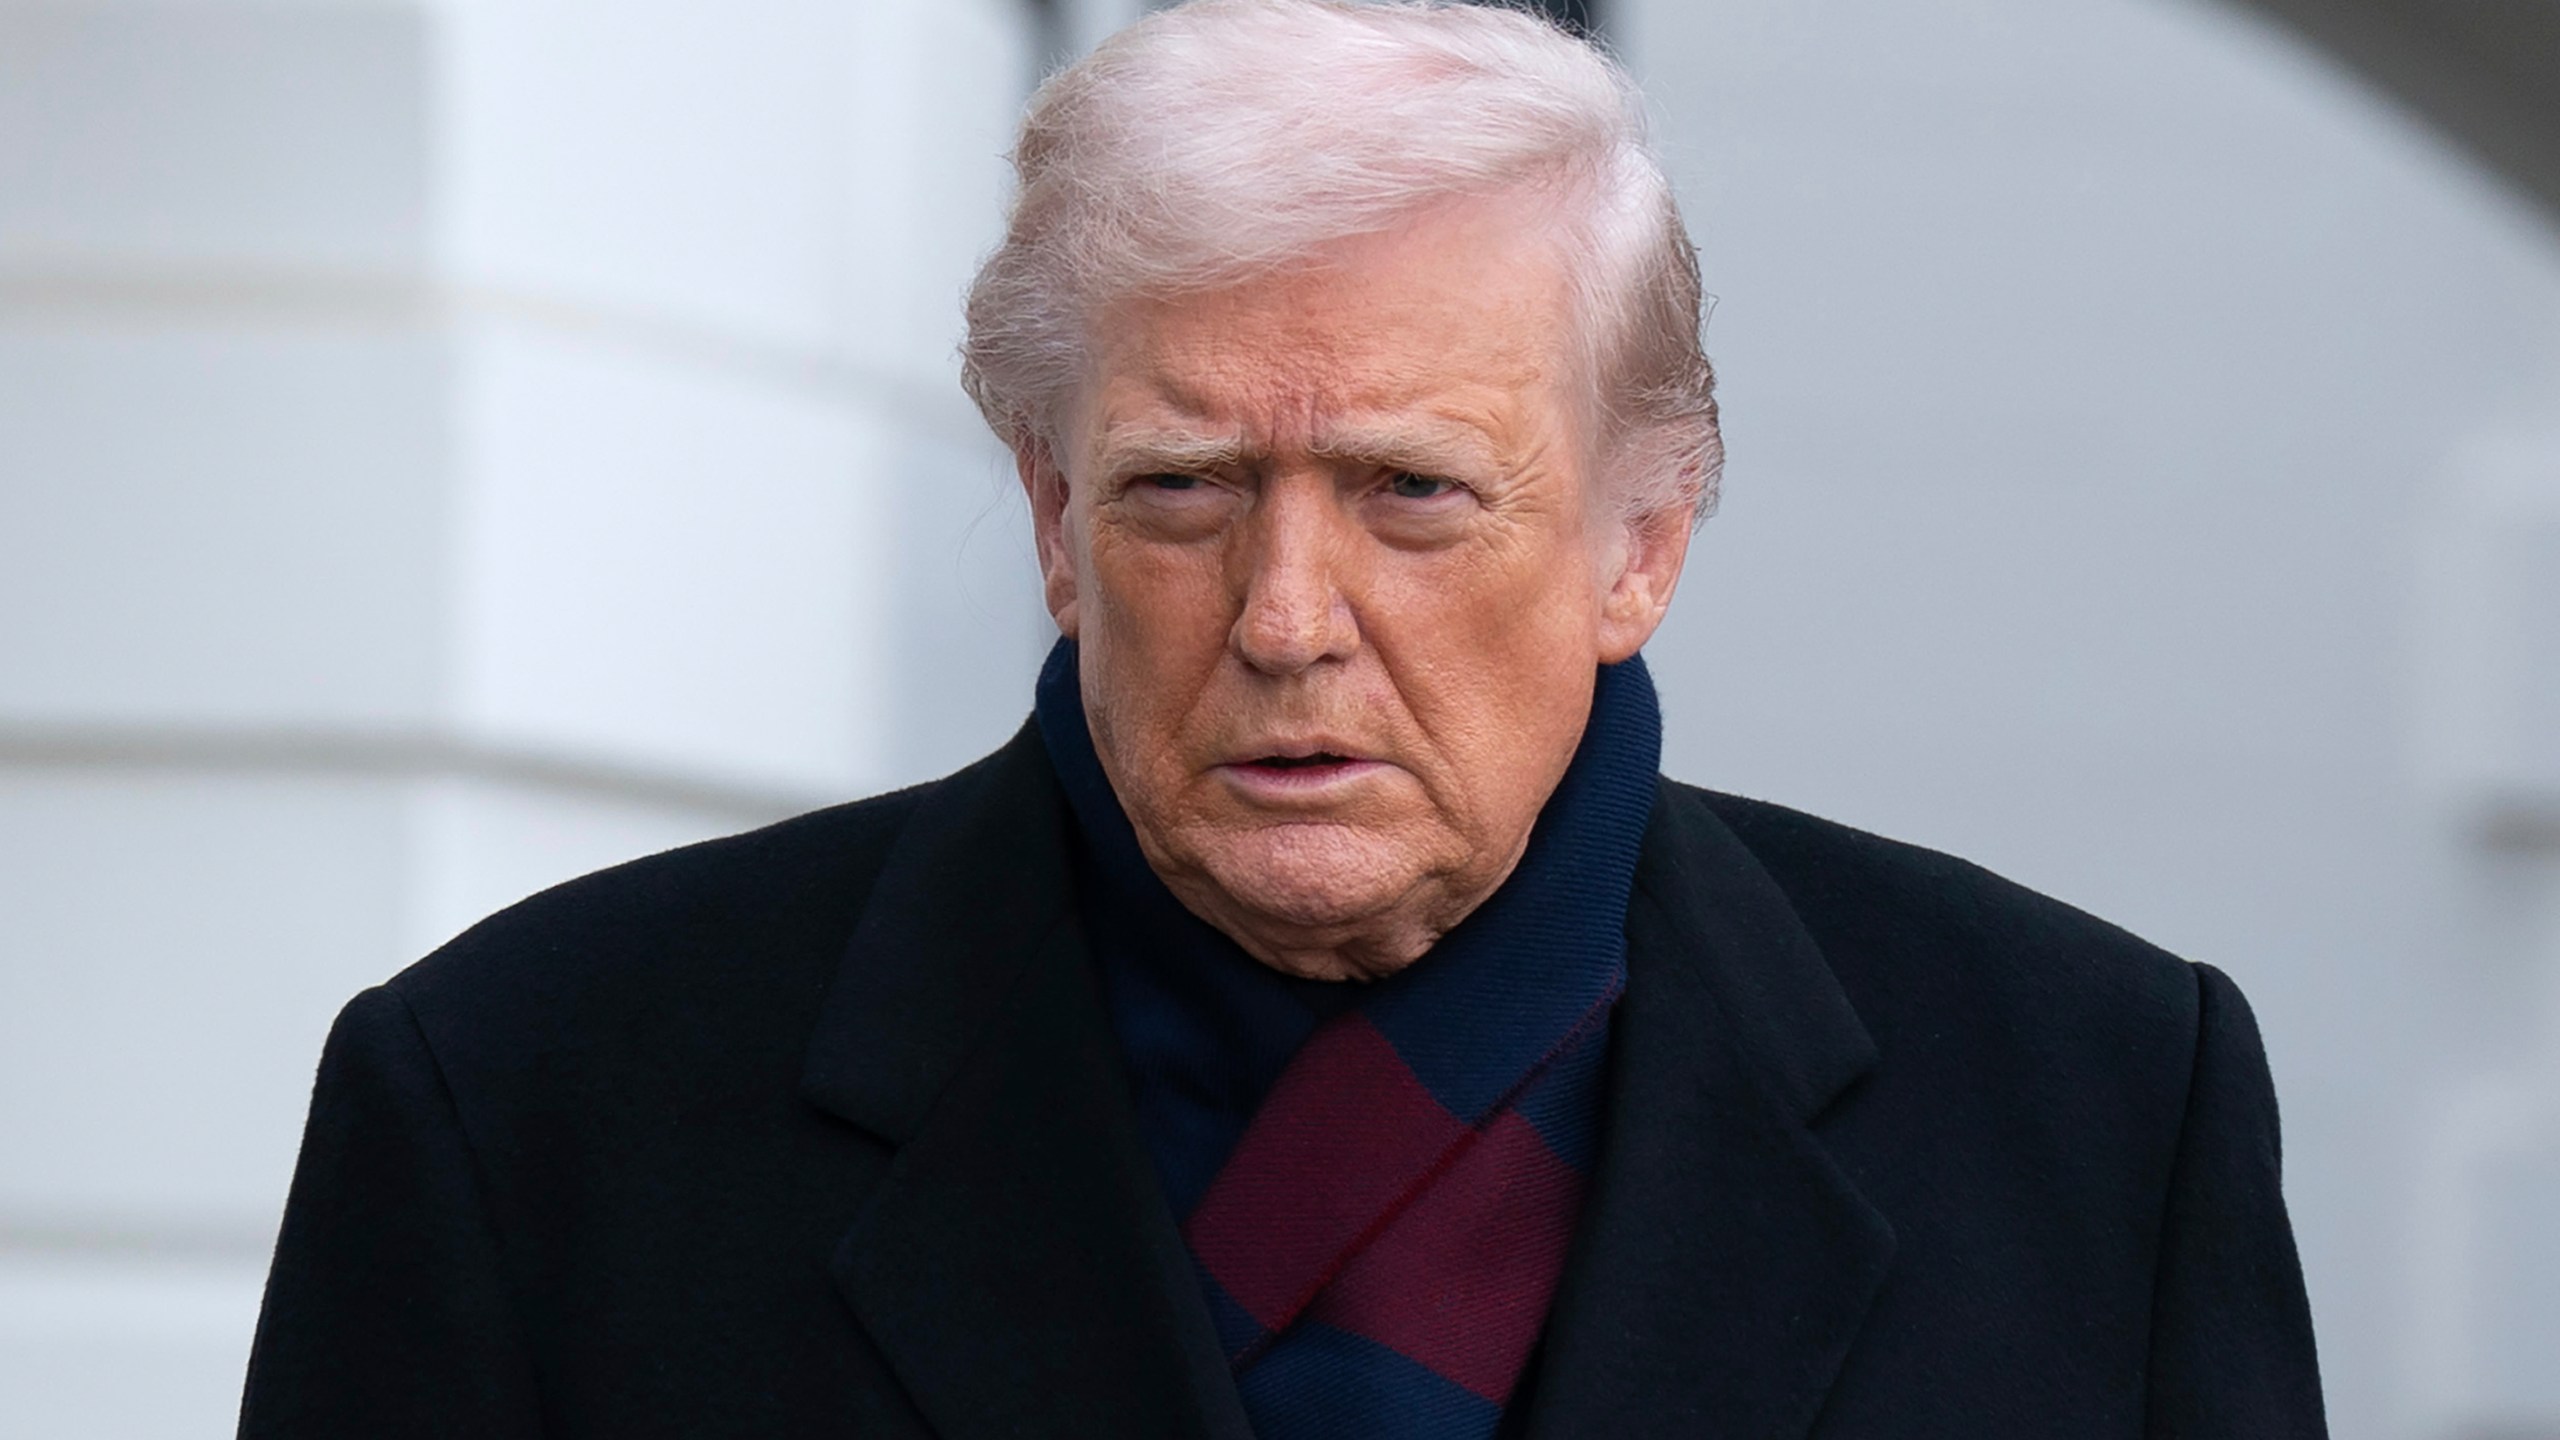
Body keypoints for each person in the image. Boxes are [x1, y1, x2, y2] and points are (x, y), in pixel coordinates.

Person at [237, 2, 2328, 1436]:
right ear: (1054, 520)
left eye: (1411, 491)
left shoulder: (2092, 1115)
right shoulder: (528, 1113)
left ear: (1640, 540)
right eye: (1182, 489)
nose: (1286, 616)